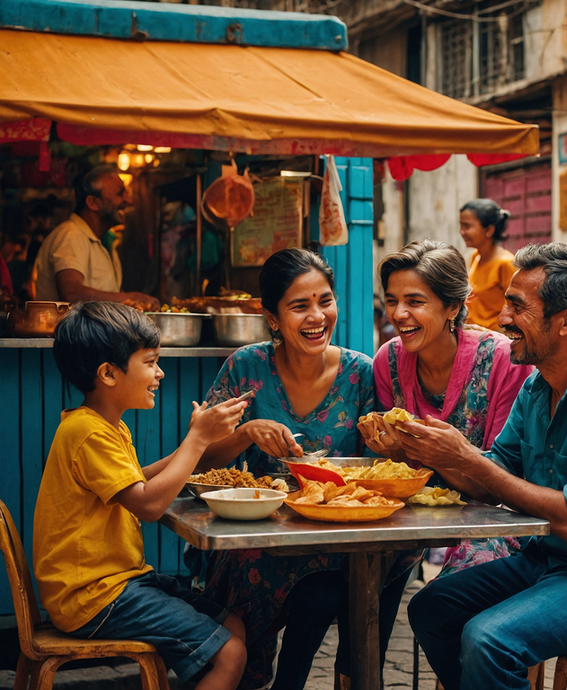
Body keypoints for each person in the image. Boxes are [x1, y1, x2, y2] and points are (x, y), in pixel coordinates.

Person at [388, 243, 567, 690]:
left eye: (517, 306)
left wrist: (468, 459)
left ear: (566, 321)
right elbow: (495, 477)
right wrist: (432, 454)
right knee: (432, 607)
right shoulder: (537, 388)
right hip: (552, 562)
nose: (502, 318)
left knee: (489, 640)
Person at [194, 248, 402, 690]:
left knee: (325, 589)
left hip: (334, 539)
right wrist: (245, 432)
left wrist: (389, 444)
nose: (317, 316)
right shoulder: (246, 367)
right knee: (247, 589)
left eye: (325, 301)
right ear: (271, 317)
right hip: (257, 535)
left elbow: (378, 466)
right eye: (299, 305)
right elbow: (200, 459)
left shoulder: (361, 372)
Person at [33, 302, 248, 689]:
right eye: (150, 362)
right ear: (108, 374)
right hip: (93, 596)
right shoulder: (87, 433)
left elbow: (137, 482)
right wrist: (197, 440)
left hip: (118, 582)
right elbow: (148, 504)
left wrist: (198, 443)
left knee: (232, 626)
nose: (159, 372)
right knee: (230, 653)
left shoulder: (107, 427)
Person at [359, 240, 532, 574]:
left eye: (415, 301)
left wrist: (438, 454)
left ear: (453, 307)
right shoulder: (388, 360)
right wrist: (390, 451)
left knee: (452, 590)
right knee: (360, 567)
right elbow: (393, 471)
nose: (397, 314)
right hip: (410, 513)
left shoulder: (502, 360)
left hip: (490, 521)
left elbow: (502, 483)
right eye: (392, 301)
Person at [35, 165, 159, 307]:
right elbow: (72, 294)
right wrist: (130, 298)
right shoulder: (71, 235)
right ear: (93, 203)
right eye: (120, 193)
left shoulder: (101, 242)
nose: (129, 200)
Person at [460, 198, 515, 331]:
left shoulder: (506, 263)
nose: (462, 232)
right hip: (472, 336)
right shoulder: (475, 257)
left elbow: (516, 308)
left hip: (493, 340)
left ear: (489, 230)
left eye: (467, 226)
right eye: (461, 226)